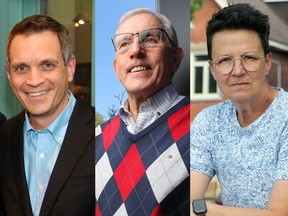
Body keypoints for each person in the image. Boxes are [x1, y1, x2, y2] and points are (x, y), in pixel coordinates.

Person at [190, 3, 288, 216]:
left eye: (249, 58)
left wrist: (204, 210)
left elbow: (280, 213)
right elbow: (184, 201)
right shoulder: (208, 122)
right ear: (212, 70)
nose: (237, 71)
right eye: (225, 60)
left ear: (268, 62)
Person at [96, 8, 190, 215]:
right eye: (124, 43)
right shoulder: (97, 139)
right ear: (116, 67)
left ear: (176, 58)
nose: (135, 50)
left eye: (150, 39)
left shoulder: (201, 125)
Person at [0, 15, 95, 216]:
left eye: (47, 65)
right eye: (22, 68)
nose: (34, 80)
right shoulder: (3, 136)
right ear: (9, 76)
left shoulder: (105, 132)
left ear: (70, 68)